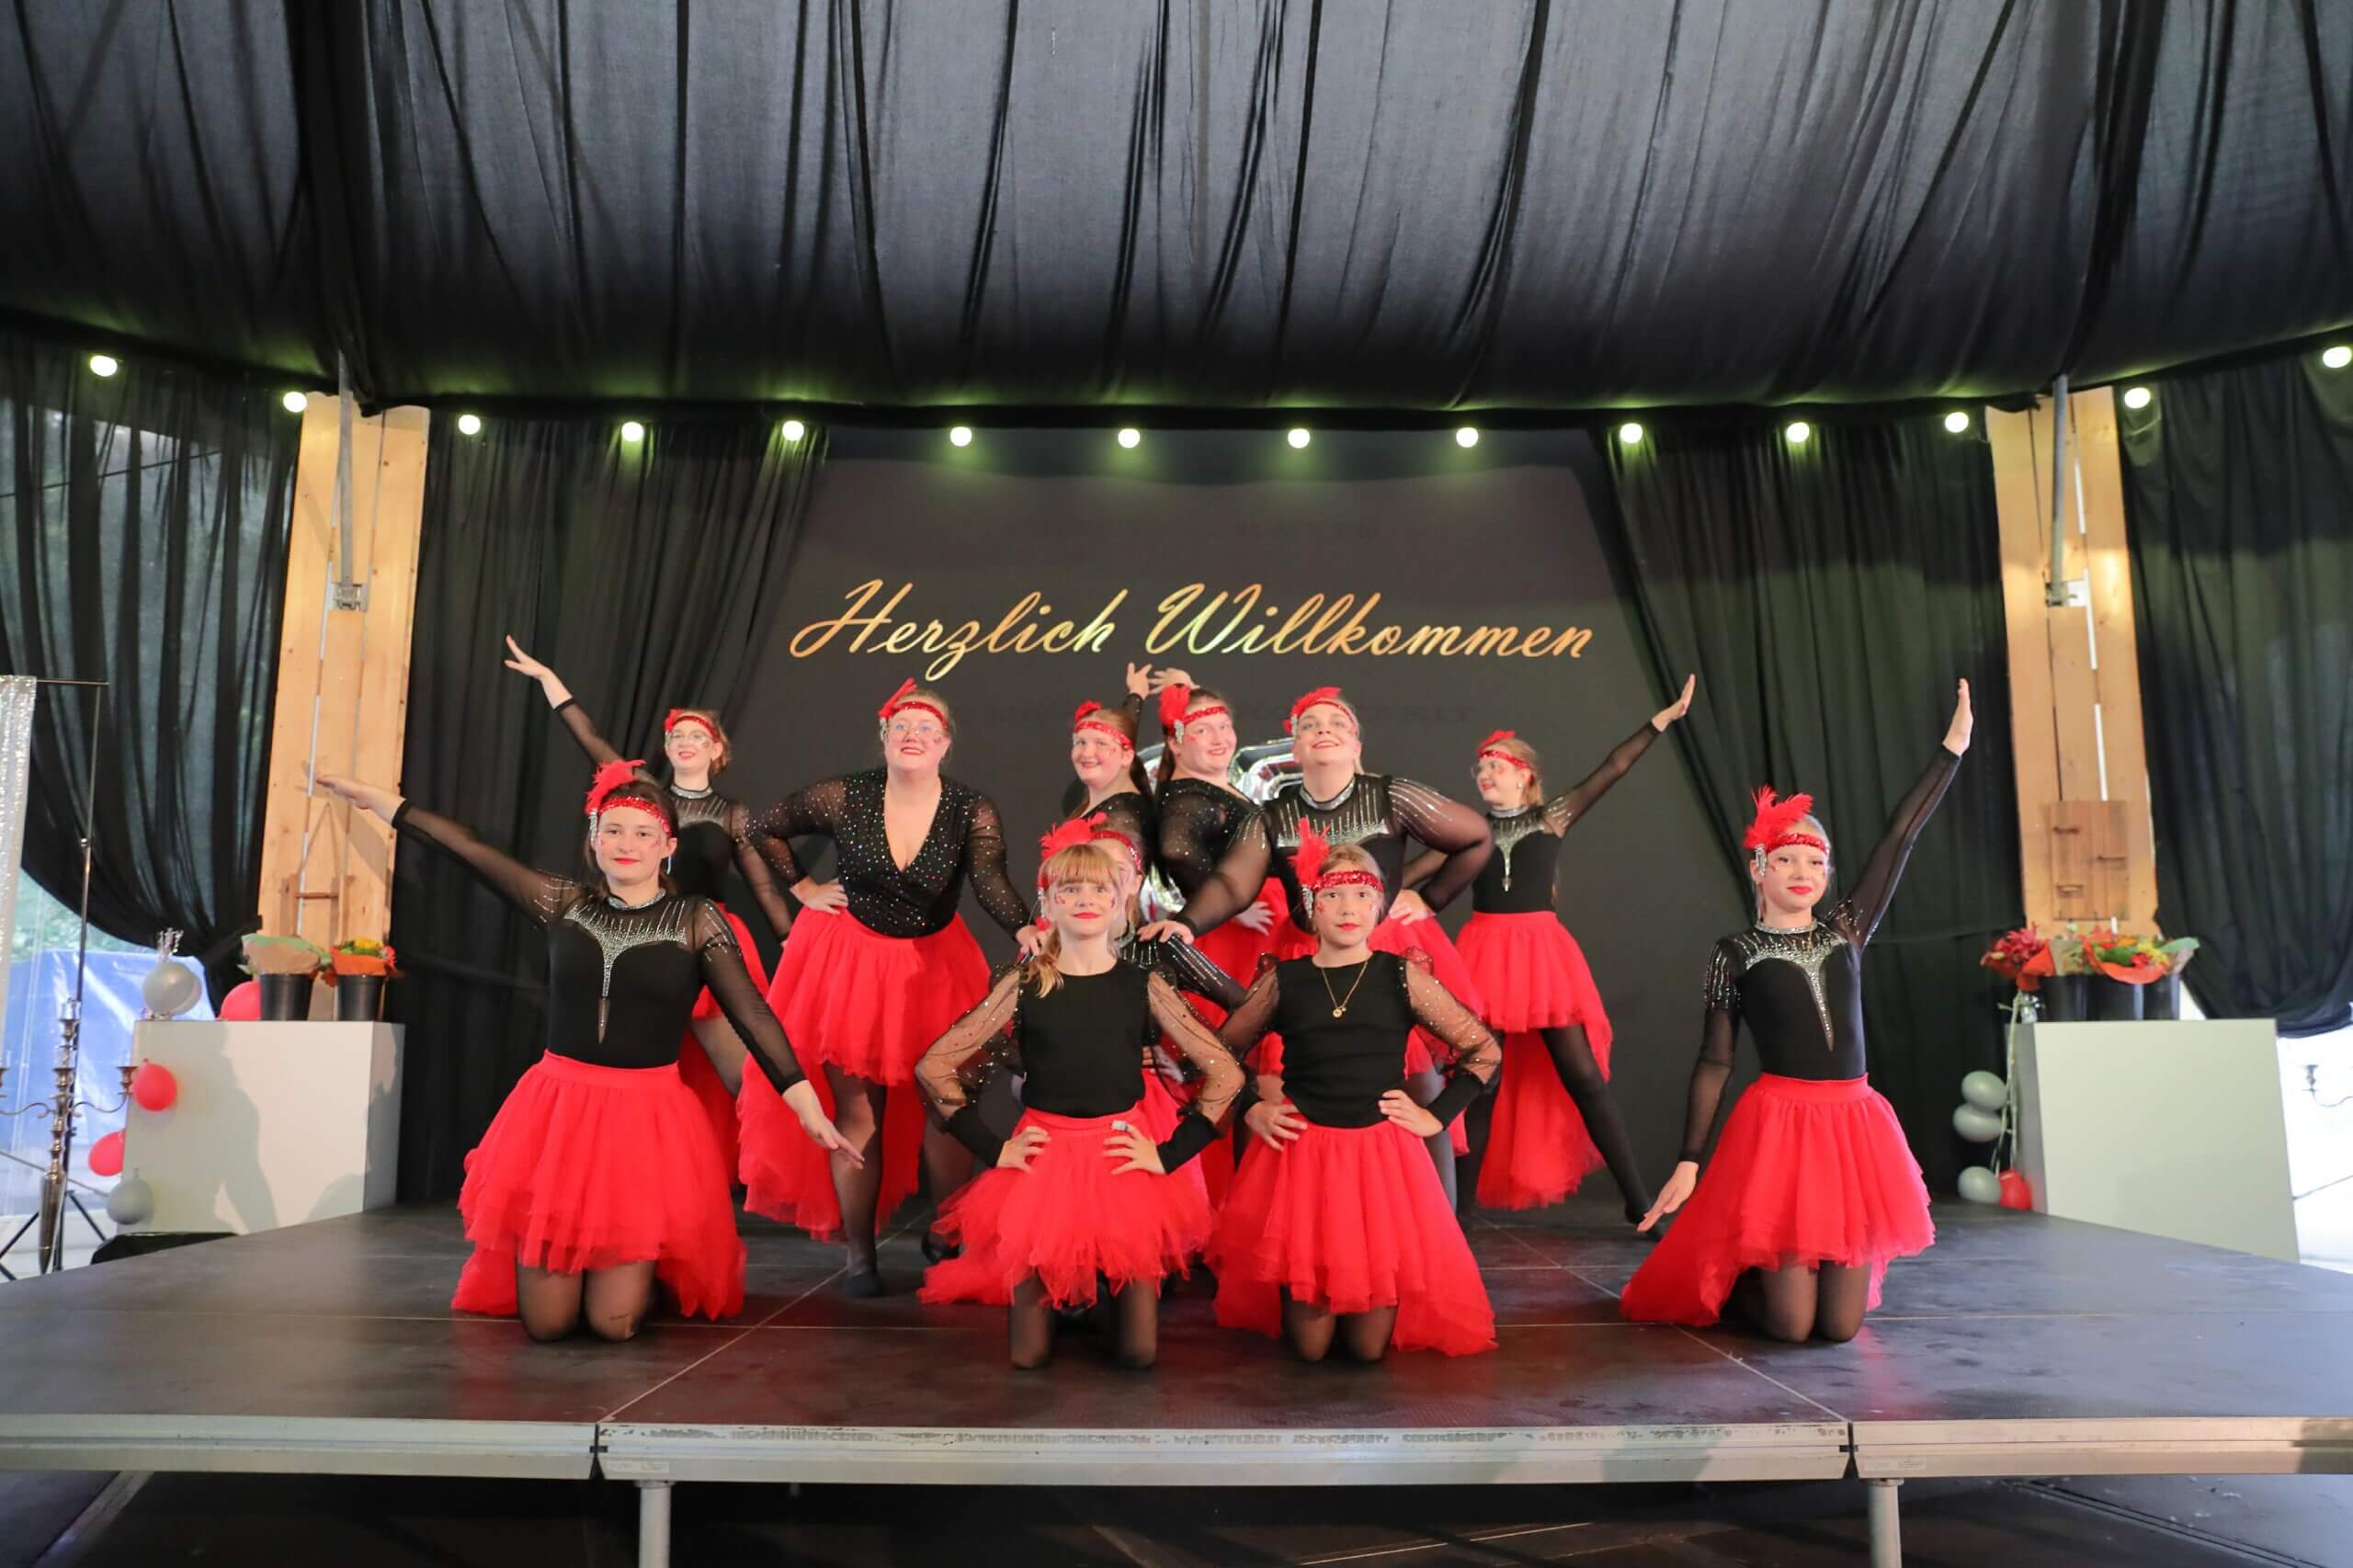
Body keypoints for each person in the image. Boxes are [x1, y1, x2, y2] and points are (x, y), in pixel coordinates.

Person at [315, 766, 852, 1340]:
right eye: (613, 831)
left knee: (611, 1324)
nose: (627, 844)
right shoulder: (564, 903)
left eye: (643, 833)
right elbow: (469, 850)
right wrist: (377, 799)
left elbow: (753, 1015)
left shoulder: (697, 920)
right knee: (548, 1326)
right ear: (594, 841)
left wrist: (804, 1103)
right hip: (559, 1112)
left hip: (645, 1118)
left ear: (668, 846)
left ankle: (644, 1277)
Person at [1623, 681, 1972, 1342]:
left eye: (1815, 861)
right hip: (1782, 1127)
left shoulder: (1845, 932)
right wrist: (1690, 1159)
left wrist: (1951, 750)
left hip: (1854, 1124)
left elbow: (1900, 835)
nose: (1801, 871)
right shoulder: (1736, 951)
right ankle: (1739, 1288)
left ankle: (1794, 1285)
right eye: (1785, 859)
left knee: (1839, 1329)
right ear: (1759, 869)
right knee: (1790, 1326)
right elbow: (1715, 1061)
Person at [737, 678, 1032, 1296]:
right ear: (885, 735)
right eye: (903, 727)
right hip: (850, 963)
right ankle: (859, 1255)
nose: (913, 736)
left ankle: (947, 1234)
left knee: (948, 1106)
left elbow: (989, 879)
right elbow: (763, 827)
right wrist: (803, 889)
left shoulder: (969, 807)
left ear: (945, 743)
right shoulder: (847, 794)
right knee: (858, 1112)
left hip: (934, 966)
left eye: (927, 729)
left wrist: (1025, 926)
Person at [1145, 686, 1493, 1203]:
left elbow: (1476, 836)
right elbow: (1234, 883)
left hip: (1383, 954)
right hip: (1305, 958)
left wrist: (1430, 899)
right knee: (1294, 1094)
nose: (1323, 730)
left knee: (1416, 1088)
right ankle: (1305, 1220)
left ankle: (1436, 1224)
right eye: (1309, 725)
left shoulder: (1391, 796)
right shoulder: (1272, 814)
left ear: (1356, 745)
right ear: (1295, 749)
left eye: (1337, 724)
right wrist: (1188, 924)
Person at [915, 828, 1243, 1369]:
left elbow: (1225, 1072)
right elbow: (934, 1066)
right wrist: (994, 1148)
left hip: (1119, 1158)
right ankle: (1071, 1303)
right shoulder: (1025, 983)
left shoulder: (1142, 983)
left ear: (1119, 902)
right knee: (1028, 1357)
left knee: (1138, 1354)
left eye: (1098, 890)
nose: (1085, 900)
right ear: (1047, 905)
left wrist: (1169, 1154)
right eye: (1070, 890)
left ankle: (1097, 1303)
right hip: (1045, 1156)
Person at [500, 636, 793, 1176]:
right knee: (635, 1065)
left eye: (698, 735)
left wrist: (794, 940)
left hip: (702, 936)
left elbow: (766, 888)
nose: (686, 742)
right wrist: (549, 682)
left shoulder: (732, 814)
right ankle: (629, 1173)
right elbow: (590, 739)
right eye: (677, 734)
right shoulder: (643, 793)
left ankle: (770, 1170)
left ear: (717, 750)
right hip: (636, 936)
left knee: (742, 1074)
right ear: (666, 746)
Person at [1211, 836, 1501, 1360]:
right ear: (1313, 908)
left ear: (1379, 907)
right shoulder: (1285, 980)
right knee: (1311, 1349)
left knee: (1368, 1351)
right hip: (1302, 1157)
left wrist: (1436, 1117)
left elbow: (1483, 1049)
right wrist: (1252, 1107)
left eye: (1362, 895)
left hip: (1379, 1160)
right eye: (1334, 896)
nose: (1348, 908)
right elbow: (1215, 1053)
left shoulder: (1400, 976)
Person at [1419, 675, 1694, 1223]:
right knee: (1480, 1079)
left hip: (1541, 956)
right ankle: (1456, 1217)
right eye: (1481, 768)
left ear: (1525, 775)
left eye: (1497, 766)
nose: (1485, 774)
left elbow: (1611, 769)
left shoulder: (1552, 818)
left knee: (1584, 1078)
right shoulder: (1469, 831)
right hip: (1485, 955)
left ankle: (1639, 1204)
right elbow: (1411, 875)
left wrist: (1659, 722)